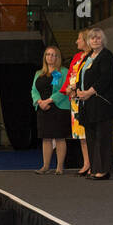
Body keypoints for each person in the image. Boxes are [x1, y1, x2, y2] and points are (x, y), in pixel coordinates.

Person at [74, 28, 113, 180]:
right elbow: (81, 76)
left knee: (102, 137)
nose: (95, 40)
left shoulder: (106, 56)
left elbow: (106, 78)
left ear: (103, 40)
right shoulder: (87, 58)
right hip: (87, 105)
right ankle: (94, 168)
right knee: (91, 137)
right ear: (89, 41)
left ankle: (103, 170)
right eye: (92, 38)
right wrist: (78, 90)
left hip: (102, 105)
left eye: (98, 38)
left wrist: (89, 92)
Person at [32, 45, 71, 174]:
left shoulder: (63, 71)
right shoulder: (39, 73)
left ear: (58, 57)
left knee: (60, 138)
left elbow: (64, 89)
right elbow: (34, 90)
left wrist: (49, 101)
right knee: (46, 138)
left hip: (58, 108)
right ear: (45, 57)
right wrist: (39, 102)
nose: (50, 57)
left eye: (53, 55)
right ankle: (45, 166)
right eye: (48, 54)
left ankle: (59, 167)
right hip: (43, 108)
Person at [64, 29, 92, 176]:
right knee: (80, 136)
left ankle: (94, 163)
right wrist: (68, 89)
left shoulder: (91, 56)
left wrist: (78, 89)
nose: (76, 41)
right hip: (74, 100)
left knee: (89, 135)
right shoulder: (76, 56)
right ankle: (86, 162)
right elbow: (70, 75)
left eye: (79, 39)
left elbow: (88, 77)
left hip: (85, 98)